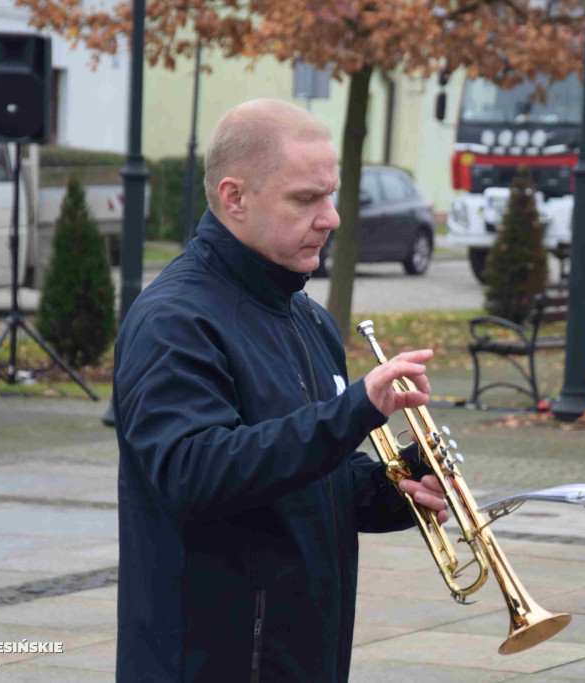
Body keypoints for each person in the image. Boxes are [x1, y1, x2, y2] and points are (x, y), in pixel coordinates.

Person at [113, 99, 449, 682]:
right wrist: (354, 411)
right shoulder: (175, 320)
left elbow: (308, 477)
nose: (332, 218)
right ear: (234, 197)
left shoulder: (306, 318)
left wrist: (395, 487)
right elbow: (192, 474)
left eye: (331, 194)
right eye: (306, 198)